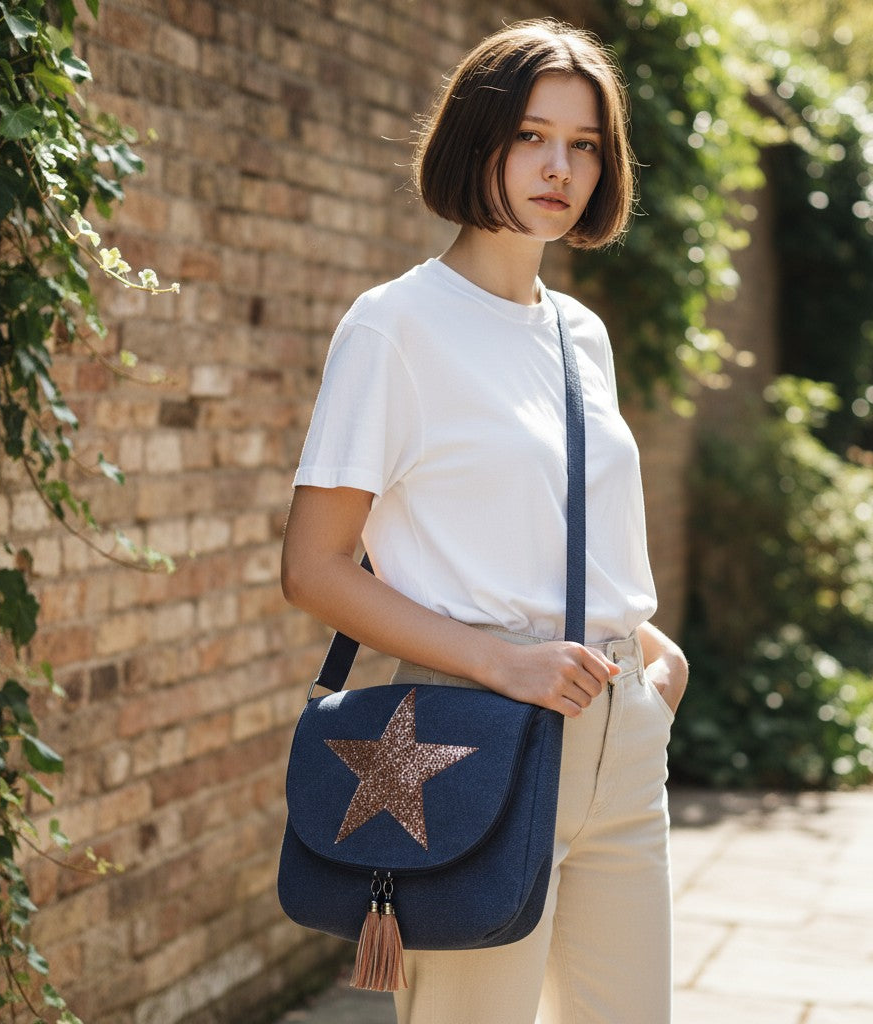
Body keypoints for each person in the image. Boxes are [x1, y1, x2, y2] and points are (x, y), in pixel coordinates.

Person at [280, 18, 688, 1024]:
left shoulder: (579, 334)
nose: (559, 167)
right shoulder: (395, 325)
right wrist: (502, 662)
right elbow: (316, 568)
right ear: (478, 141)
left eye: (584, 144)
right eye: (530, 136)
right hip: (477, 722)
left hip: (620, 737)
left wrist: (649, 653)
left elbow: (555, 524)